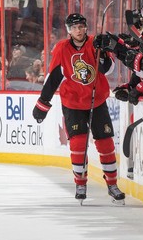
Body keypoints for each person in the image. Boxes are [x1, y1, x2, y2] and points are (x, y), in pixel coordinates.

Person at [32, 13, 125, 204]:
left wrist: (102, 56)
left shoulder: (95, 43)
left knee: (106, 143)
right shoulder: (61, 48)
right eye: (75, 27)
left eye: (81, 26)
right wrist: (43, 104)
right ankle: (80, 183)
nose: (79, 30)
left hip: (96, 100)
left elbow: (108, 70)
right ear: (69, 30)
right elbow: (53, 78)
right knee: (78, 144)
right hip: (73, 103)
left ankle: (112, 184)